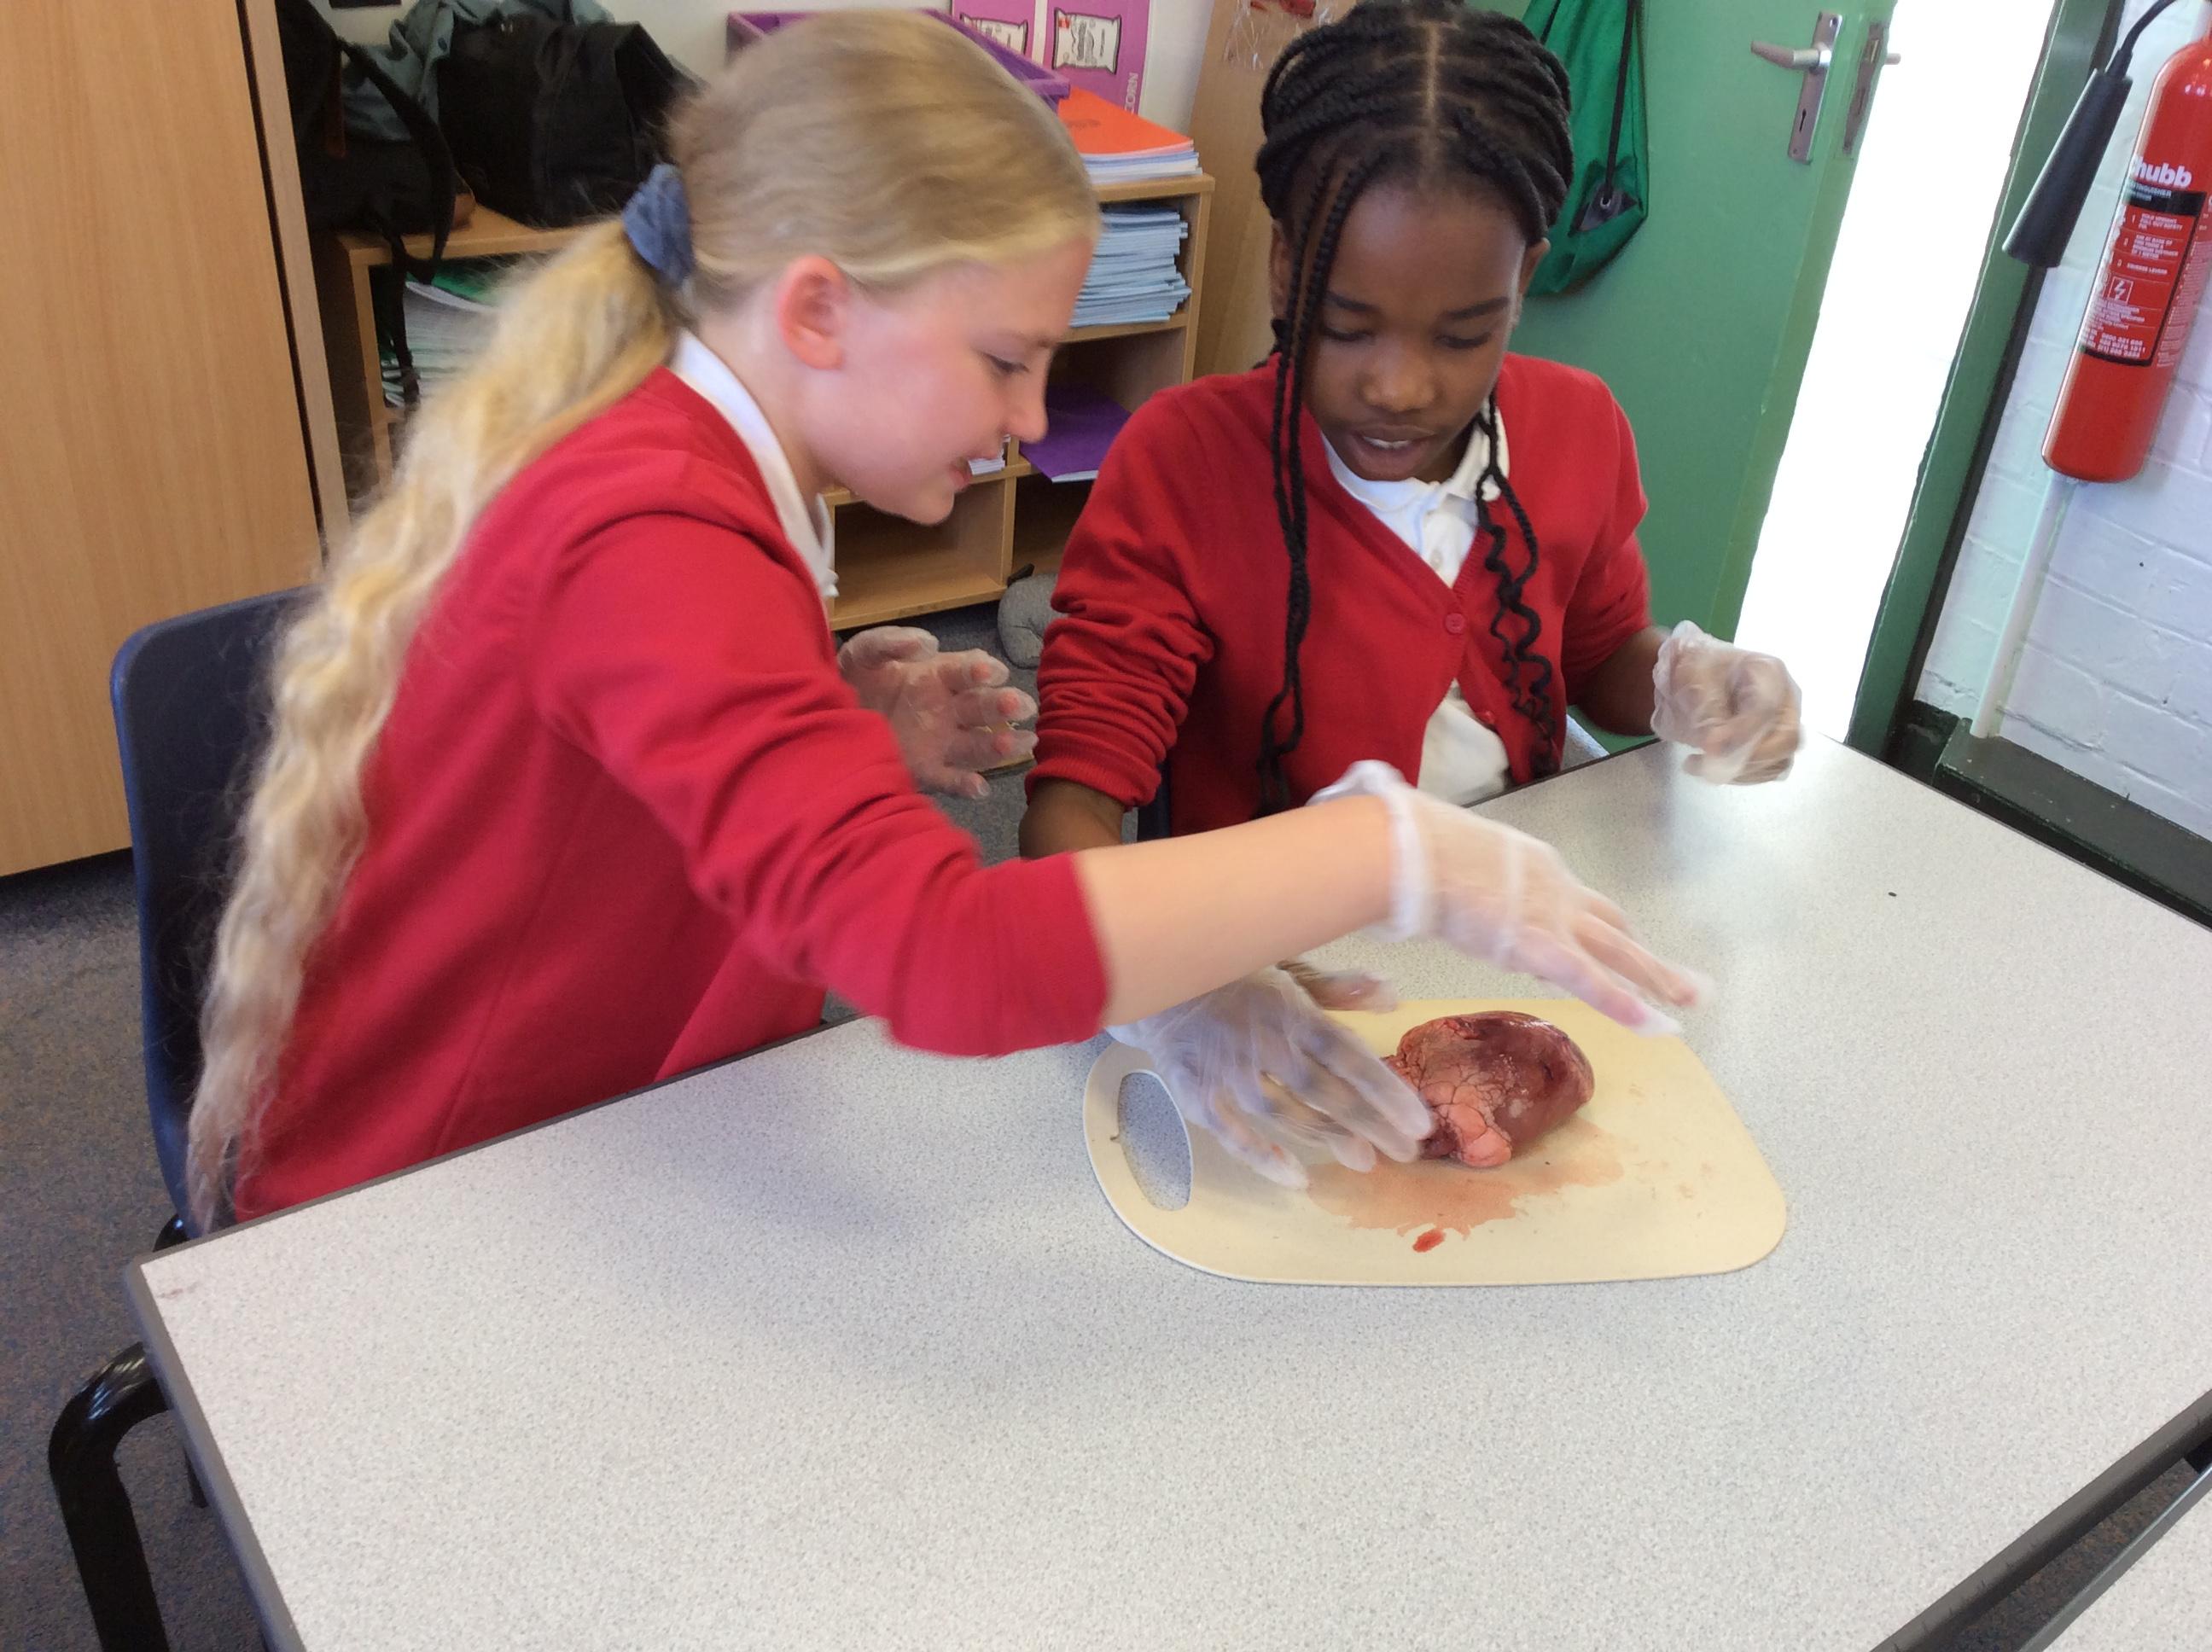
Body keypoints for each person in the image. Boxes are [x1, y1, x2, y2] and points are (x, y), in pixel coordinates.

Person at [187, 11, 1701, 1226]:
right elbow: (936, 953)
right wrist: (1386, 851)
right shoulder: (649, 526)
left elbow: (634, 766)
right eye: (1004, 360)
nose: (1033, 419)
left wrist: (835, 726)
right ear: (818, 311)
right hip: (436, 1199)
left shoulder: (704, 457)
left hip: (635, 1118)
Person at [1021, 0, 1796, 1178]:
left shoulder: (1578, 428)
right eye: (1349, 326)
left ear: (1524, 278)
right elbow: (1067, 818)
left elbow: (1598, 659)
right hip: (1286, 971)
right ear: (1287, 264)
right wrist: (1177, 986)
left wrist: (1688, 680)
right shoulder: (1183, 463)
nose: (1399, 386)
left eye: (1461, 335)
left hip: (1513, 932)